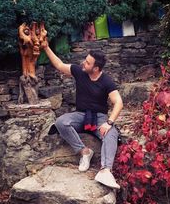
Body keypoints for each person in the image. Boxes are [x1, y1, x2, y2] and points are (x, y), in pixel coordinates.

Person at [43, 42, 123, 189]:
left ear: (96, 68)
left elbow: (118, 102)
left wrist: (109, 122)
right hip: (81, 115)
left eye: (87, 62)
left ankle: (105, 171)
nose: (83, 63)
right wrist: (46, 47)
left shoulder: (106, 81)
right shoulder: (80, 71)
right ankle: (85, 152)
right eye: (85, 60)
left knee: (111, 134)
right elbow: (60, 65)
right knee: (61, 122)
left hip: (99, 117)